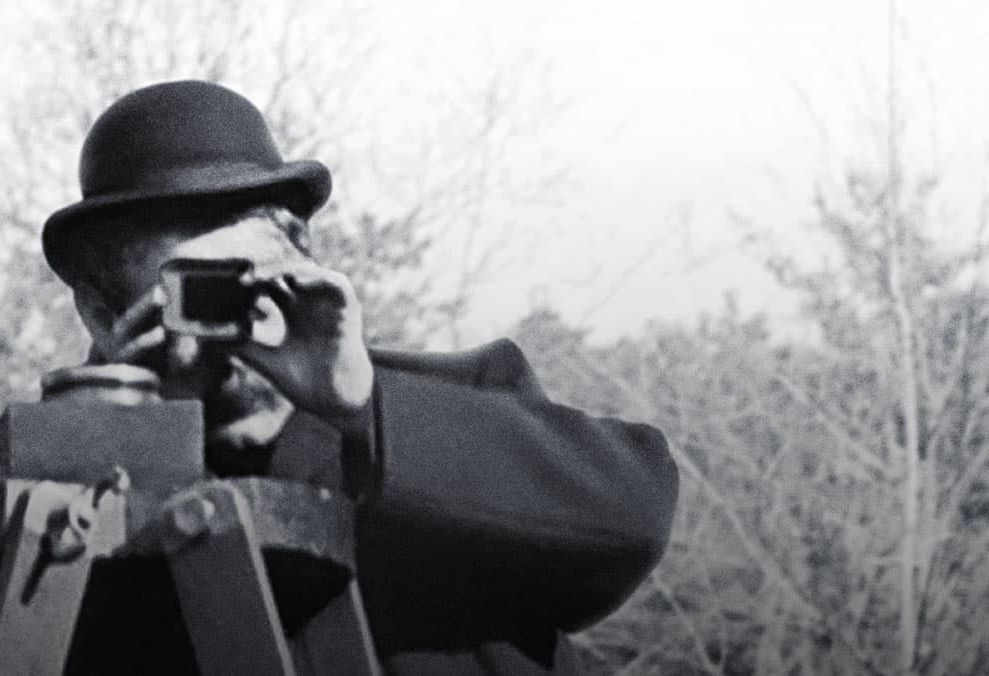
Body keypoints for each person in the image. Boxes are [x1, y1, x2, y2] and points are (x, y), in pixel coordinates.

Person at [40, 80, 679, 675]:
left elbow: (634, 514)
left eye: (245, 289)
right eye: (194, 300)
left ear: (303, 265)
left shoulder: (451, 407)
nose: (229, 337)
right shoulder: (68, 485)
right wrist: (136, 436)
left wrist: (364, 409)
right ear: (101, 315)